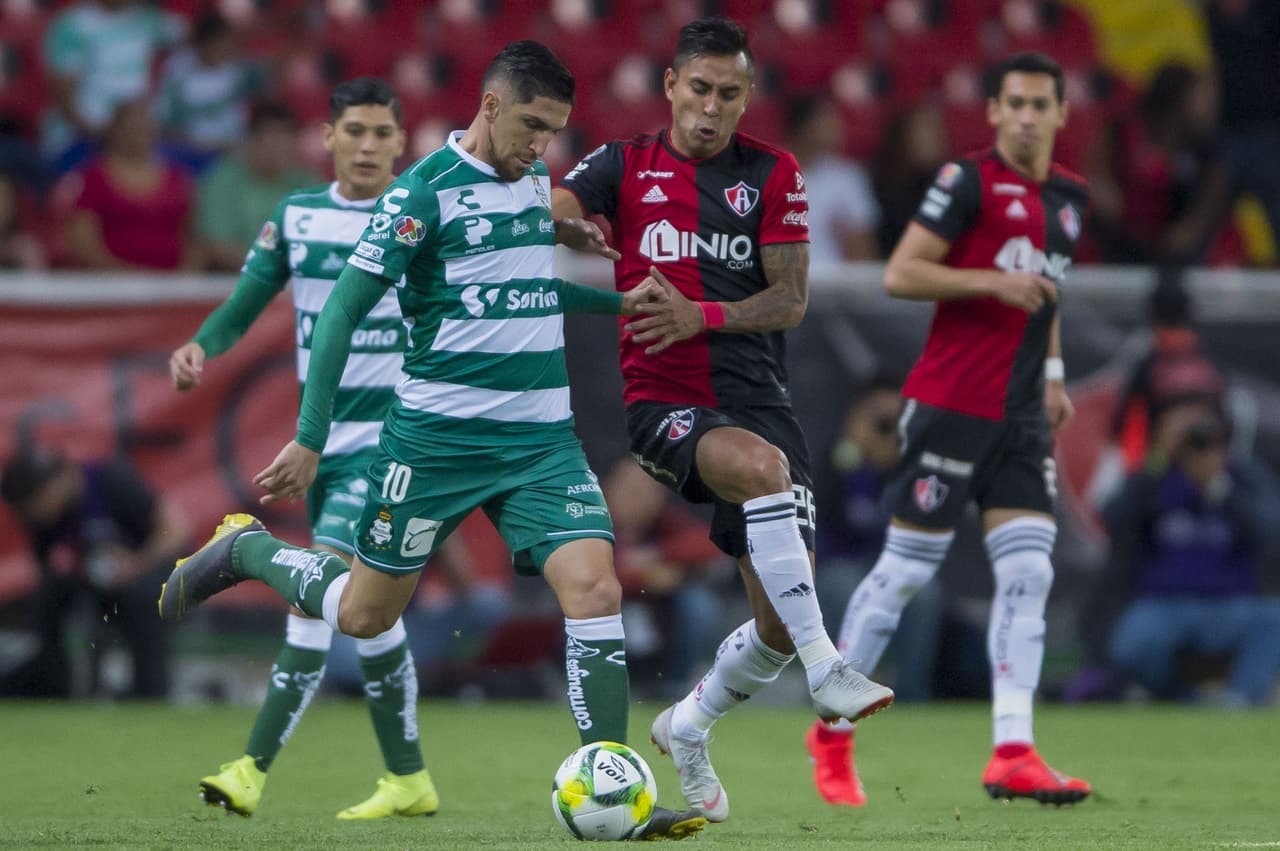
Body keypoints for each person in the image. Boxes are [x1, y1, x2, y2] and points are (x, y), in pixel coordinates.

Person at [159, 40, 705, 841]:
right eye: (529, 125)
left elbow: (519, 284)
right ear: (488, 106)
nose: (539, 146)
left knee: (596, 590)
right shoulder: (422, 194)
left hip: (540, 442)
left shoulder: (530, 184)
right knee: (363, 617)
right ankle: (247, 551)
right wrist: (310, 436)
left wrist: (615, 302)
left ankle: (611, 784)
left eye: (553, 132)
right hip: (435, 445)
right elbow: (344, 307)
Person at [554, 16, 894, 825]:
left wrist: (698, 314)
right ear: (670, 85)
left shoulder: (773, 174)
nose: (710, 107)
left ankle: (689, 723)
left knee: (775, 621)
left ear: (747, 97)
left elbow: (791, 299)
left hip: (760, 400)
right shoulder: (624, 163)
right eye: (698, 89)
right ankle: (829, 666)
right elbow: (558, 203)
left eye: (728, 93)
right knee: (759, 472)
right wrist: (567, 222)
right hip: (663, 403)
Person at [805, 52, 1094, 808]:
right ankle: (832, 729)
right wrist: (989, 280)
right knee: (904, 571)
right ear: (994, 112)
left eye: (1042, 104)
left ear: (1062, 115)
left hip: (1023, 413)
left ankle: (1012, 750)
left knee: (1030, 573)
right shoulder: (964, 182)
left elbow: (1048, 292)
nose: (1029, 116)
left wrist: (1056, 376)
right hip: (951, 403)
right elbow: (901, 272)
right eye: (1016, 103)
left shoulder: (1069, 196)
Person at [168, 78, 443, 820]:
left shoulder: (422, 210)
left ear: (400, 140)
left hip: (391, 444)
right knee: (370, 610)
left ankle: (252, 768)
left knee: (316, 600)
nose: (366, 146)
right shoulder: (298, 216)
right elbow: (245, 304)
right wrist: (201, 343)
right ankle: (409, 777)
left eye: (381, 133)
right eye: (353, 130)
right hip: (322, 446)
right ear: (326, 137)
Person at [1096, 404, 1280, 706]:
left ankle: (1239, 701)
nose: (1196, 444)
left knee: (1274, 620)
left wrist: (1218, 487)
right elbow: (1112, 516)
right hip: (1165, 605)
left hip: (1229, 607)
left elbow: (1268, 530)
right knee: (1134, 642)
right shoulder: (1156, 477)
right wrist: (1158, 460)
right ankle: (1179, 699)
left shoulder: (1240, 475)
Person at [0, 447, 188, 699]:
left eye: (34, 503)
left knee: (142, 598)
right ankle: (54, 686)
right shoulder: (42, 520)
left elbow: (176, 529)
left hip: (151, 572)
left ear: (56, 483)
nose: (30, 514)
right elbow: (46, 570)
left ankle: (149, 692)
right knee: (47, 597)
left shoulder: (110, 482)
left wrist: (134, 564)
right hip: (97, 579)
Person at [816, 376, 944, 705]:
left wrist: (895, 466)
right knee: (844, 587)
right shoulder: (835, 455)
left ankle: (912, 694)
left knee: (924, 593)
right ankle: (839, 692)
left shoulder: (914, 460)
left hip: (891, 563)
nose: (885, 425)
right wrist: (854, 458)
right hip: (840, 563)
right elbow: (829, 515)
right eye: (878, 416)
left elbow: (922, 518)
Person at [602, 457, 727, 701]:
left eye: (648, 491)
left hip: (661, 617)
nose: (638, 499)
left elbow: (709, 543)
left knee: (698, 603)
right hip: (607, 612)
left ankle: (676, 688)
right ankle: (593, 688)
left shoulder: (664, 524)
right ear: (608, 488)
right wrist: (643, 578)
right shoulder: (592, 524)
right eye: (630, 489)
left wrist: (660, 556)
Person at [40, 0, 185, 173]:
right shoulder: (72, 25)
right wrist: (108, 136)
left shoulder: (147, 19)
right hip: (80, 138)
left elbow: (200, 38)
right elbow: (65, 99)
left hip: (133, 135)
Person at [63, 100, 203, 271]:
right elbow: (84, 241)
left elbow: (195, 236)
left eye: (145, 128)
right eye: (131, 128)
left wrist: (183, 276)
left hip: (171, 283)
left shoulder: (179, 178)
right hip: (113, 283)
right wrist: (124, 276)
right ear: (114, 131)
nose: (138, 134)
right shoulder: (94, 179)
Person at [197, 102, 319, 272]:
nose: (281, 147)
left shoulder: (306, 182)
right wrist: (267, 271)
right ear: (253, 140)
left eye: (287, 139)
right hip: (233, 281)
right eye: (274, 138)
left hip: (295, 279)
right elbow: (218, 245)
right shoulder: (222, 181)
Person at [154, 8, 266, 173]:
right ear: (203, 43)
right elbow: (163, 124)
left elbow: (275, 72)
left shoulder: (239, 72)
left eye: (228, 43)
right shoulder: (177, 74)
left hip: (229, 152)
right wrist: (197, 143)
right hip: (189, 153)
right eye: (219, 43)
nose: (225, 49)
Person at [784, 93, 879, 263]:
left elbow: (862, 249)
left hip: (835, 283)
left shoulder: (848, 176)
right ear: (802, 126)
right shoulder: (764, 172)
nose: (837, 127)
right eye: (826, 122)